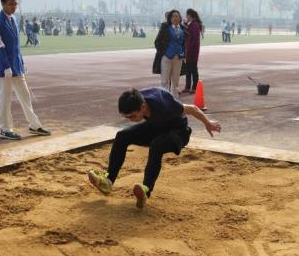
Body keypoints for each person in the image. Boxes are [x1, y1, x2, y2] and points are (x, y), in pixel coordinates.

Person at [88, 87, 221, 209]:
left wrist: (208, 123)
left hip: (178, 132)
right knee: (122, 136)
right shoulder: (136, 100)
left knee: (156, 145)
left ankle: (146, 189)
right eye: (127, 117)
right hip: (156, 128)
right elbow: (138, 117)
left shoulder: (165, 105)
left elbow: (192, 108)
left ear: (143, 106)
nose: (131, 120)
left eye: (133, 116)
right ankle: (108, 181)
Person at [0, 0, 51, 140]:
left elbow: (16, 45)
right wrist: (6, 66)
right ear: (3, 4)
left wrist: (21, 62)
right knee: (5, 98)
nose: (14, 6)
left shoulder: (14, 19)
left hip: (17, 66)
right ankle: (5, 128)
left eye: (15, 4)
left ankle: (34, 125)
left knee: (25, 95)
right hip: (5, 69)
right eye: (11, 4)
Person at [153, 9, 186, 99]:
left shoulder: (183, 29)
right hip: (166, 57)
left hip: (178, 57)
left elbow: (185, 43)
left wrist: (184, 53)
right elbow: (157, 42)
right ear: (170, 18)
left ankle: (175, 98)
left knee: (175, 80)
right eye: (173, 16)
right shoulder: (165, 27)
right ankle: (165, 98)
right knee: (164, 80)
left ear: (180, 18)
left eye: (177, 16)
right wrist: (163, 53)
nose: (175, 18)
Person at [182, 8, 202, 96]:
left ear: (190, 16)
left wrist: (188, 50)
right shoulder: (192, 24)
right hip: (189, 50)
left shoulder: (195, 25)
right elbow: (188, 34)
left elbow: (194, 40)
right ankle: (187, 87)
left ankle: (194, 87)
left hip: (192, 51)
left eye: (187, 15)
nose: (186, 17)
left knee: (193, 70)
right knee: (188, 70)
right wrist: (185, 25)